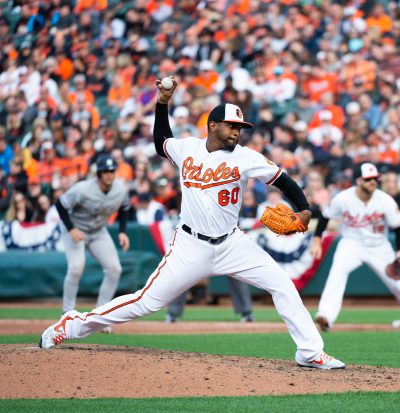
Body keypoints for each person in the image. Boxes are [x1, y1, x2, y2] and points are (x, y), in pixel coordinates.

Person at [39, 77, 345, 370]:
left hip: (231, 244)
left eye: (241, 127)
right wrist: (162, 102)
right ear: (213, 126)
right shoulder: (188, 149)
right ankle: (74, 324)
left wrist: (304, 209)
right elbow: (161, 142)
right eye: (231, 126)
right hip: (190, 245)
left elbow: (284, 181)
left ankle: (310, 352)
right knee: (145, 302)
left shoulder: (246, 156)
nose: (237, 132)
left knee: (282, 285)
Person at [310, 162, 400, 332]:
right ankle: (326, 317)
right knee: (336, 274)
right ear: (359, 180)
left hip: (379, 246)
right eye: (369, 179)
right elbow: (325, 217)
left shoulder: (385, 200)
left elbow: (399, 228)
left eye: (375, 179)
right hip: (351, 243)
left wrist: (399, 253)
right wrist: (317, 239)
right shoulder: (343, 198)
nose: (373, 182)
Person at [54, 154, 130, 334]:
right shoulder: (83, 189)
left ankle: (100, 316)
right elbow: (60, 205)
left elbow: (125, 207)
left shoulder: (120, 189)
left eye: (111, 171)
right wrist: (71, 229)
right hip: (76, 229)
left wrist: (122, 231)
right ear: (99, 173)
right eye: (105, 171)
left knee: (114, 269)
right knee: (76, 267)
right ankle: (67, 314)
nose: (109, 174)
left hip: (97, 231)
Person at [166, 277, 254, 323]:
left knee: (237, 270)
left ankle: (247, 314)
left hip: (225, 244)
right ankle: (172, 314)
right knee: (184, 270)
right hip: (201, 244)